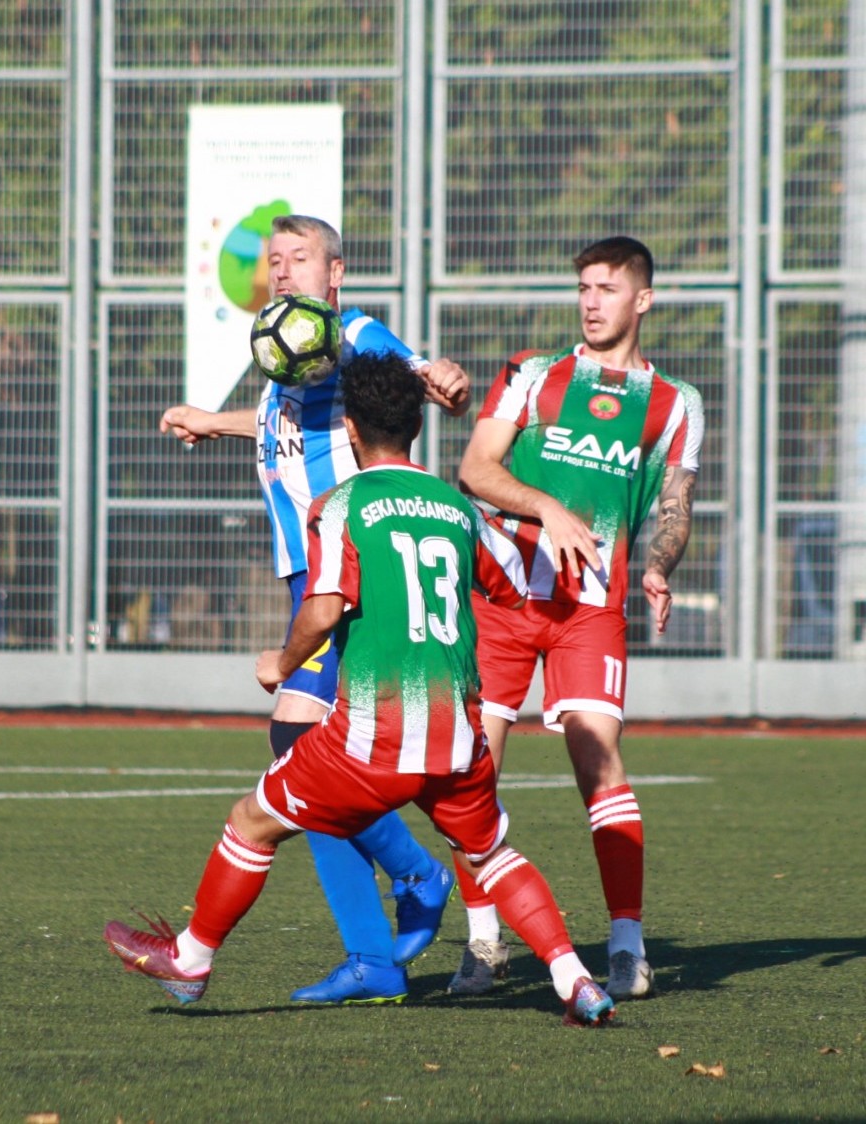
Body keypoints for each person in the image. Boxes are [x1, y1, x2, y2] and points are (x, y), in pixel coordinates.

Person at [105, 350, 616, 1028]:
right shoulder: (457, 508)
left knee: (250, 823)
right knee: (492, 853)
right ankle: (575, 978)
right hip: (456, 736)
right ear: (415, 427)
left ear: (349, 429)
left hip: (369, 739)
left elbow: (321, 607)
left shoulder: (342, 503)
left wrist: (280, 664)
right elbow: (513, 589)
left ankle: (192, 958)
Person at [157, 214, 469, 1005]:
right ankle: (385, 936)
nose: (284, 270)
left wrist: (447, 375)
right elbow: (283, 428)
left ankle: (408, 893)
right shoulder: (291, 347)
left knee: (299, 753)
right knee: (302, 759)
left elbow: (421, 374)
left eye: (300, 258)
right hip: (311, 573)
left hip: (349, 572)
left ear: (336, 272)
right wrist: (214, 421)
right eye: (275, 260)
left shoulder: (352, 332)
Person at [447, 235, 703, 1002]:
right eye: (584, 287)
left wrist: (659, 565)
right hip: (501, 601)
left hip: (591, 611)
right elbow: (475, 469)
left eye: (607, 288)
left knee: (599, 761)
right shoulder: (534, 375)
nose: (591, 301)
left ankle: (627, 944)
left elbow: (675, 507)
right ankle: (483, 942)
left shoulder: (675, 403)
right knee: (470, 772)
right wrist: (548, 506)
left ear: (643, 299)